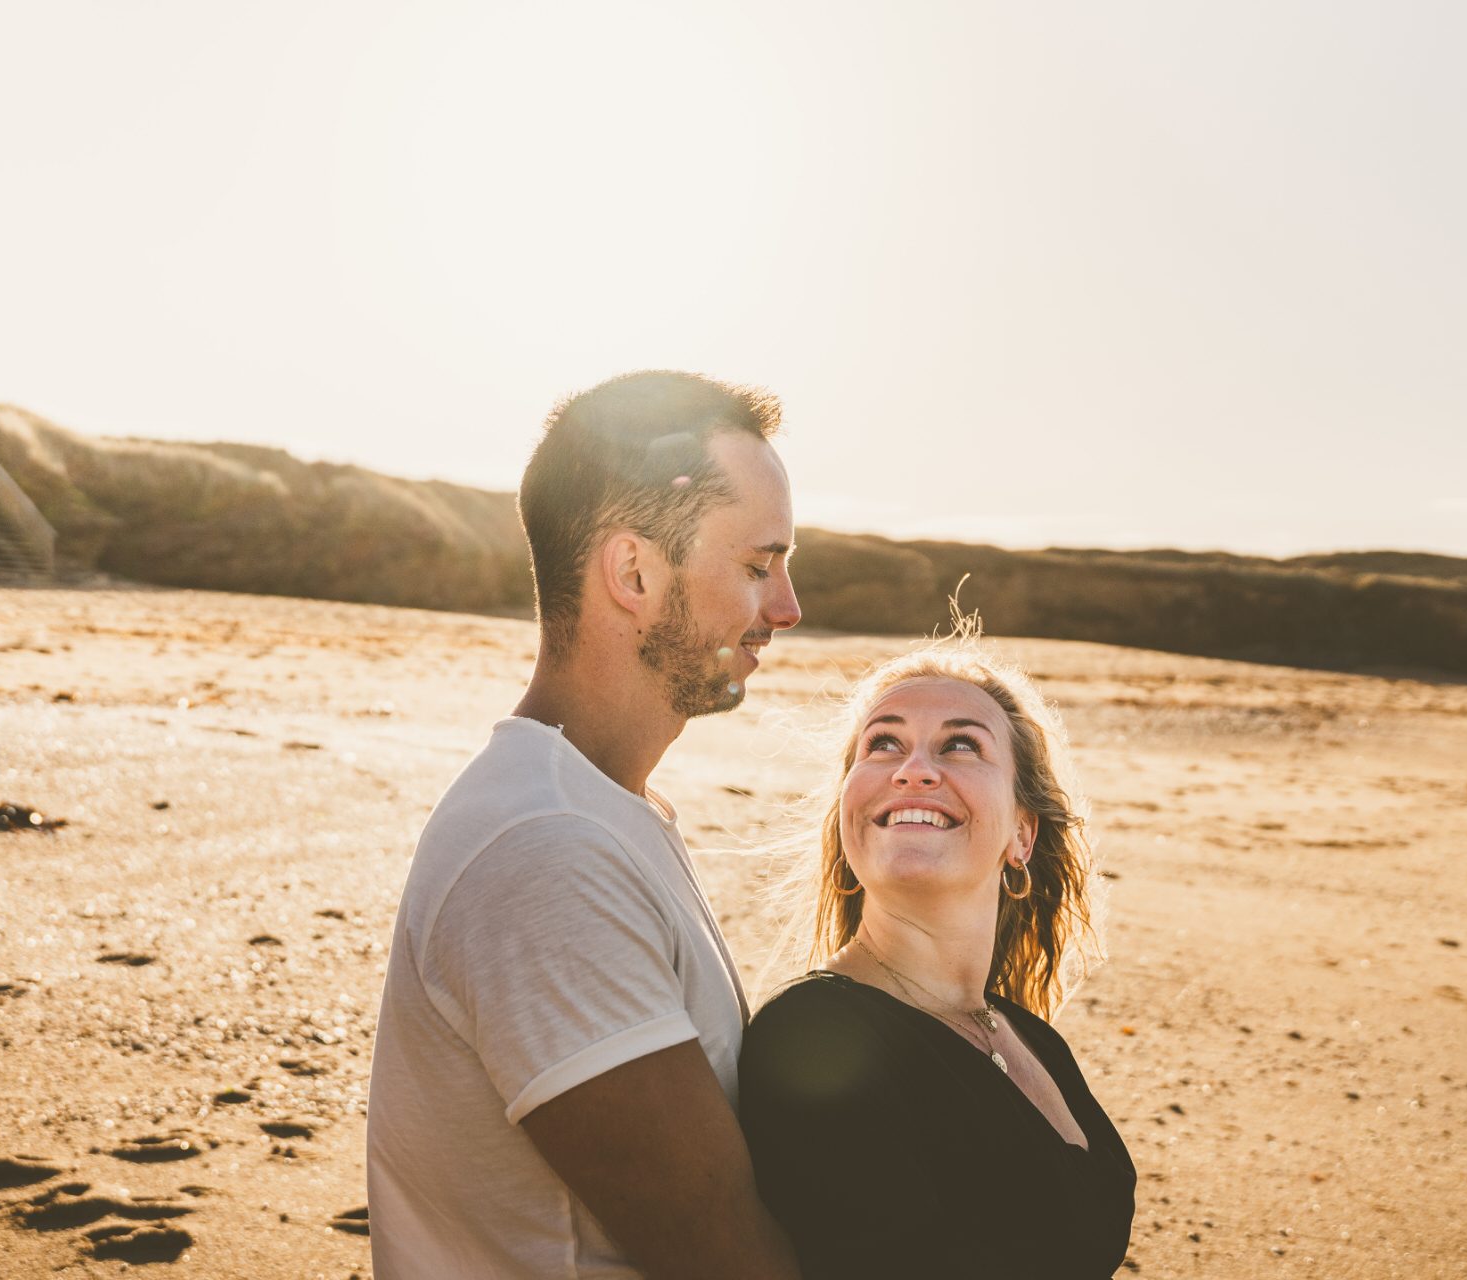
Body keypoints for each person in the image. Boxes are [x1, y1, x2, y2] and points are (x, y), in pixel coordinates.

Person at [368, 370, 805, 1279]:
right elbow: (719, 1256)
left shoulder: (606, 807)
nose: (788, 609)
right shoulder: (546, 851)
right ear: (634, 573)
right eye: (760, 567)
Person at [739, 641, 1136, 1278]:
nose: (913, 770)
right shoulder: (814, 1037)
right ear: (848, 812)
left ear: (1021, 834)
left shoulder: (1029, 1036)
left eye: (960, 745)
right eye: (883, 744)